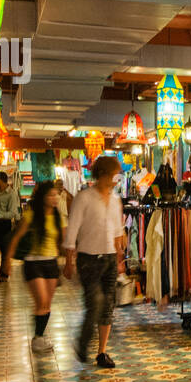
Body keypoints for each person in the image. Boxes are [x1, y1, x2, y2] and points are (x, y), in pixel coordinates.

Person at [64, 156, 126, 368]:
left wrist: (119, 257)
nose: (116, 178)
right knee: (95, 303)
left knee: (108, 304)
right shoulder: (85, 198)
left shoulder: (116, 199)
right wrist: (68, 261)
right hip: (88, 258)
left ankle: (102, 352)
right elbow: (72, 229)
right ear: (103, 175)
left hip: (109, 257)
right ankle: (82, 342)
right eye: (113, 174)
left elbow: (118, 231)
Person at [6, 180, 65, 353]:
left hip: (51, 262)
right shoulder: (31, 216)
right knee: (41, 301)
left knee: (47, 303)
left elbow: (62, 241)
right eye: (51, 195)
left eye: (56, 195)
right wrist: (7, 261)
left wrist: (68, 260)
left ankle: (40, 335)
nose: (55, 198)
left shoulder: (57, 217)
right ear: (43, 197)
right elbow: (16, 238)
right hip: (33, 262)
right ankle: (37, 338)